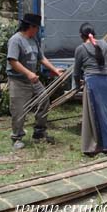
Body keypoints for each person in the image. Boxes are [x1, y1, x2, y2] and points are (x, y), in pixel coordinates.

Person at [6, 13, 64, 150]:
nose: (38, 30)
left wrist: (55, 70)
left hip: (33, 80)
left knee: (44, 100)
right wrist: (28, 73)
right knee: (19, 110)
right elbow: (12, 61)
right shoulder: (16, 40)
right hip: (18, 81)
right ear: (30, 27)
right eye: (37, 27)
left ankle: (39, 133)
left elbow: (41, 58)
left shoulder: (33, 40)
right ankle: (17, 137)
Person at [73, 23, 107, 156]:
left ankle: (93, 148)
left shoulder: (81, 49)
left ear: (81, 36)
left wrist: (77, 85)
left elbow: (76, 72)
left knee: (93, 116)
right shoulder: (106, 45)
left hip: (93, 83)